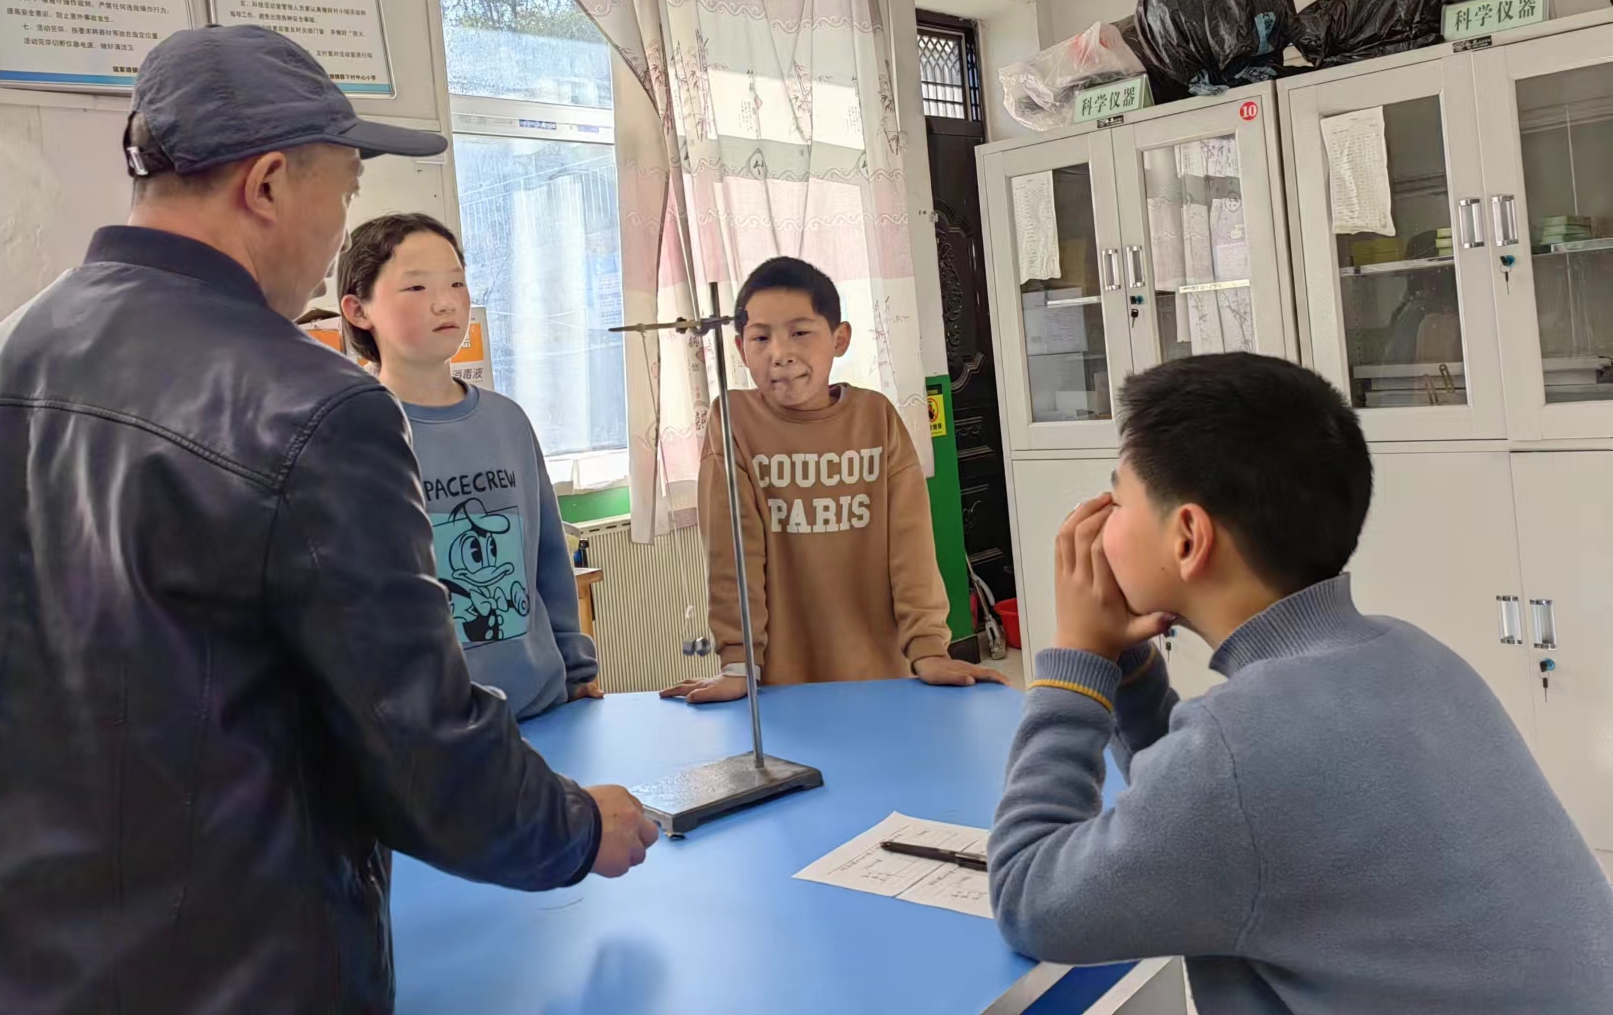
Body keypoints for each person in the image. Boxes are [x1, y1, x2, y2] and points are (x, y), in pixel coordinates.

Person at [0, 26, 656, 1015]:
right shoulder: (310, 405)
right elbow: (421, 748)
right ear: (266, 185)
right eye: (343, 191)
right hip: (217, 969)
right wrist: (578, 827)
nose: (337, 232)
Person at [988, 352, 1613, 1014]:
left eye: (1116, 500)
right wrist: (1129, 667)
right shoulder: (1411, 653)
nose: (1097, 524)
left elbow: (1030, 898)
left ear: (1188, 538)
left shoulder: (1241, 751)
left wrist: (1078, 656)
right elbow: (1211, 813)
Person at [662, 256, 1006, 703]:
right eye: (761, 337)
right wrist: (738, 663)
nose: (780, 353)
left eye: (800, 333)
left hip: (883, 676)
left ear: (839, 338)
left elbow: (911, 549)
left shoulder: (875, 418)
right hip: (780, 687)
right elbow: (732, 557)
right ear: (741, 349)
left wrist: (929, 650)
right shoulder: (733, 420)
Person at [339, 212, 602, 720]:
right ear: (358, 310)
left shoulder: (507, 421)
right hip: (430, 730)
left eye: (456, 283)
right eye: (416, 287)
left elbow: (548, 558)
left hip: (541, 706)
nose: (445, 302)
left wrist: (576, 670)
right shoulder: (349, 432)